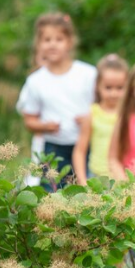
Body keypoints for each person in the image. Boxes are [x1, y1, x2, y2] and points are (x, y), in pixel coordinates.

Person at [16, 12, 96, 191]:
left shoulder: (88, 74)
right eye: (46, 39)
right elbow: (29, 120)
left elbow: (105, 108)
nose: (52, 44)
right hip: (52, 149)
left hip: (87, 145)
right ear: (39, 44)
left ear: (69, 42)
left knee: (87, 192)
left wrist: (90, 118)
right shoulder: (36, 81)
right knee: (52, 195)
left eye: (58, 39)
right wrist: (44, 126)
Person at [73, 54, 129, 185]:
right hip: (97, 178)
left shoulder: (128, 114)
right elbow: (80, 151)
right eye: (108, 87)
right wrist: (82, 180)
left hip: (123, 177)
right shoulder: (93, 113)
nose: (114, 93)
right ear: (98, 86)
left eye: (120, 88)